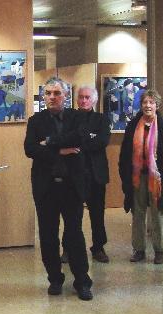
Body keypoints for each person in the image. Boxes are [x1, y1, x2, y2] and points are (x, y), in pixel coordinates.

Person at [24, 77, 93, 301]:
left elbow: (80, 137)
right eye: (48, 93)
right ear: (43, 97)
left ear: (65, 96)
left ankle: (82, 281)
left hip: (72, 187)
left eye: (56, 93)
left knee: (74, 234)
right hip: (46, 188)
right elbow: (30, 149)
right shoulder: (36, 121)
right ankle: (55, 278)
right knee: (48, 235)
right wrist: (60, 150)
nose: (52, 97)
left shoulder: (78, 117)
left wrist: (50, 141)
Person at [61, 86, 111, 264]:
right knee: (72, 215)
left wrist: (80, 143)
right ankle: (68, 248)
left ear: (94, 100)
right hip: (73, 175)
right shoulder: (68, 118)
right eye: (81, 97)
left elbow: (102, 141)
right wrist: (88, 137)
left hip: (96, 174)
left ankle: (98, 247)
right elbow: (66, 139)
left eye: (87, 97)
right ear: (76, 99)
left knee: (97, 214)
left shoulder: (101, 119)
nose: (83, 100)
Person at [119, 89, 163, 264]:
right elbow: (125, 153)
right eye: (145, 102)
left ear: (157, 105)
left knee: (157, 214)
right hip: (137, 176)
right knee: (138, 213)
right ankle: (139, 249)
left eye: (151, 102)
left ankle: (159, 250)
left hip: (156, 178)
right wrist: (124, 175)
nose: (147, 105)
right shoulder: (133, 125)